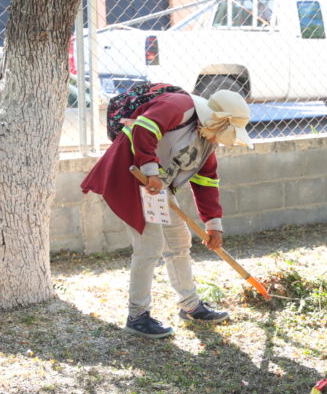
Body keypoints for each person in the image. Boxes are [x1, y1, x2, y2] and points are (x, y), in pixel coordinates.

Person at [82, 89, 254, 338]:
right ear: (219, 121)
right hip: (133, 177)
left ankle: (191, 306)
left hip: (157, 188)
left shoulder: (207, 139)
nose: (222, 140)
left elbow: (206, 180)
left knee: (178, 240)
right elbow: (145, 128)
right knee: (149, 246)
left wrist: (213, 224)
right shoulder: (179, 105)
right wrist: (150, 171)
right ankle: (137, 316)